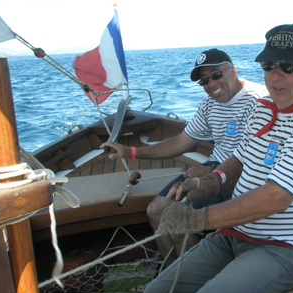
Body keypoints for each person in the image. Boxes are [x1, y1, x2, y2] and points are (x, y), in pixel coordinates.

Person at [134, 24, 293, 293]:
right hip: (235, 235)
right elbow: (242, 157)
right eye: (268, 65)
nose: (274, 76)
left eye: (287, 66)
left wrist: (197, 219)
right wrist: (213, 180)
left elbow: (276, 198)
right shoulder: (264, 108)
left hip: (288, 249)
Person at [100, 48, 268, 266]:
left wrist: (208, 171)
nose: (211, 84)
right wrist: (132, 152)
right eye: (204, 81)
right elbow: (182, 141)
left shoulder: (259, 101)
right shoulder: (210, 104)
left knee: (179, 218)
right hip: (213, 167)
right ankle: (170, 275)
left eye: (216, 75)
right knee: (155, 209)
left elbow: (257, 158)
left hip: (240, 176)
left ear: (233, 71)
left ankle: (187, 279)